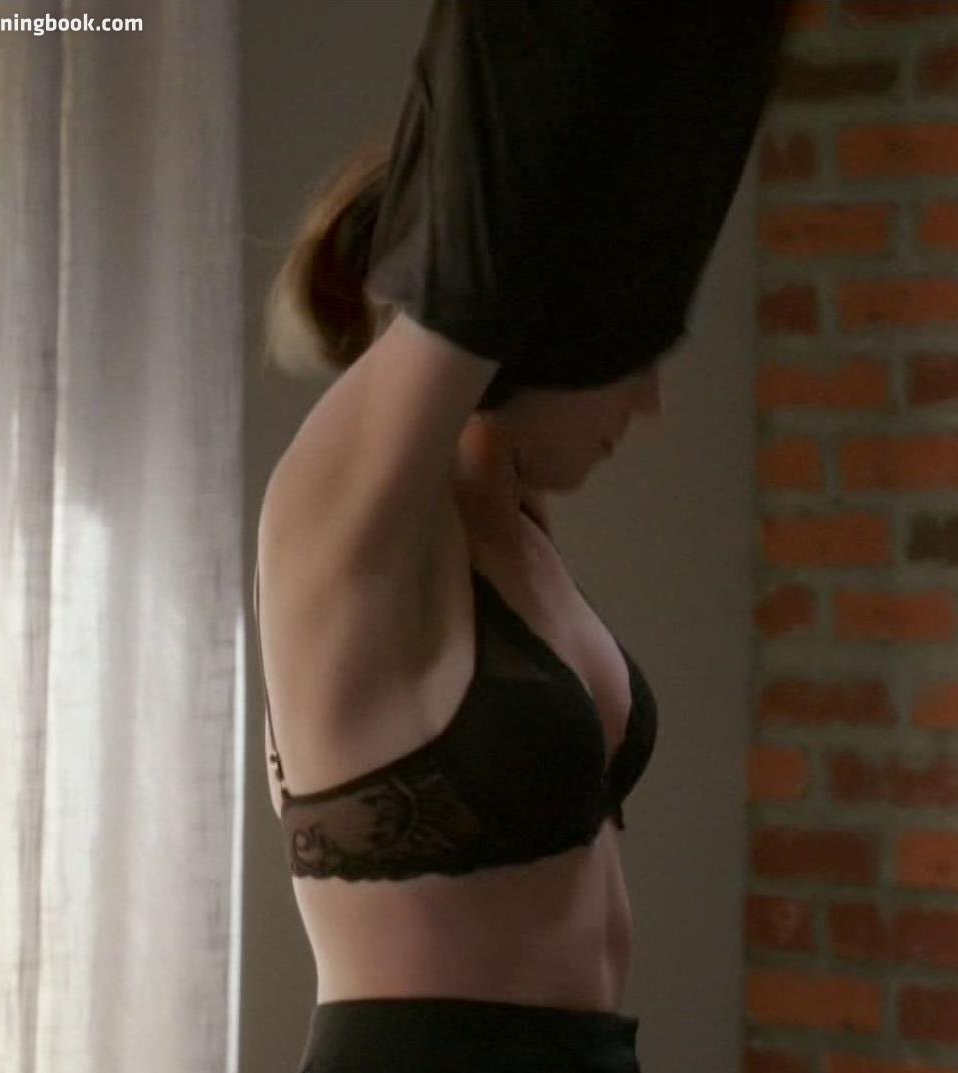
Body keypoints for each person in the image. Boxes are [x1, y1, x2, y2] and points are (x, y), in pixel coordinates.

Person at [252, 2, 789, 1070]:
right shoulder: (339, 521)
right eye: (632, 355)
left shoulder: (512, 523)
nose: (647, 403)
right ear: (539, 327)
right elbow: (483, 248)